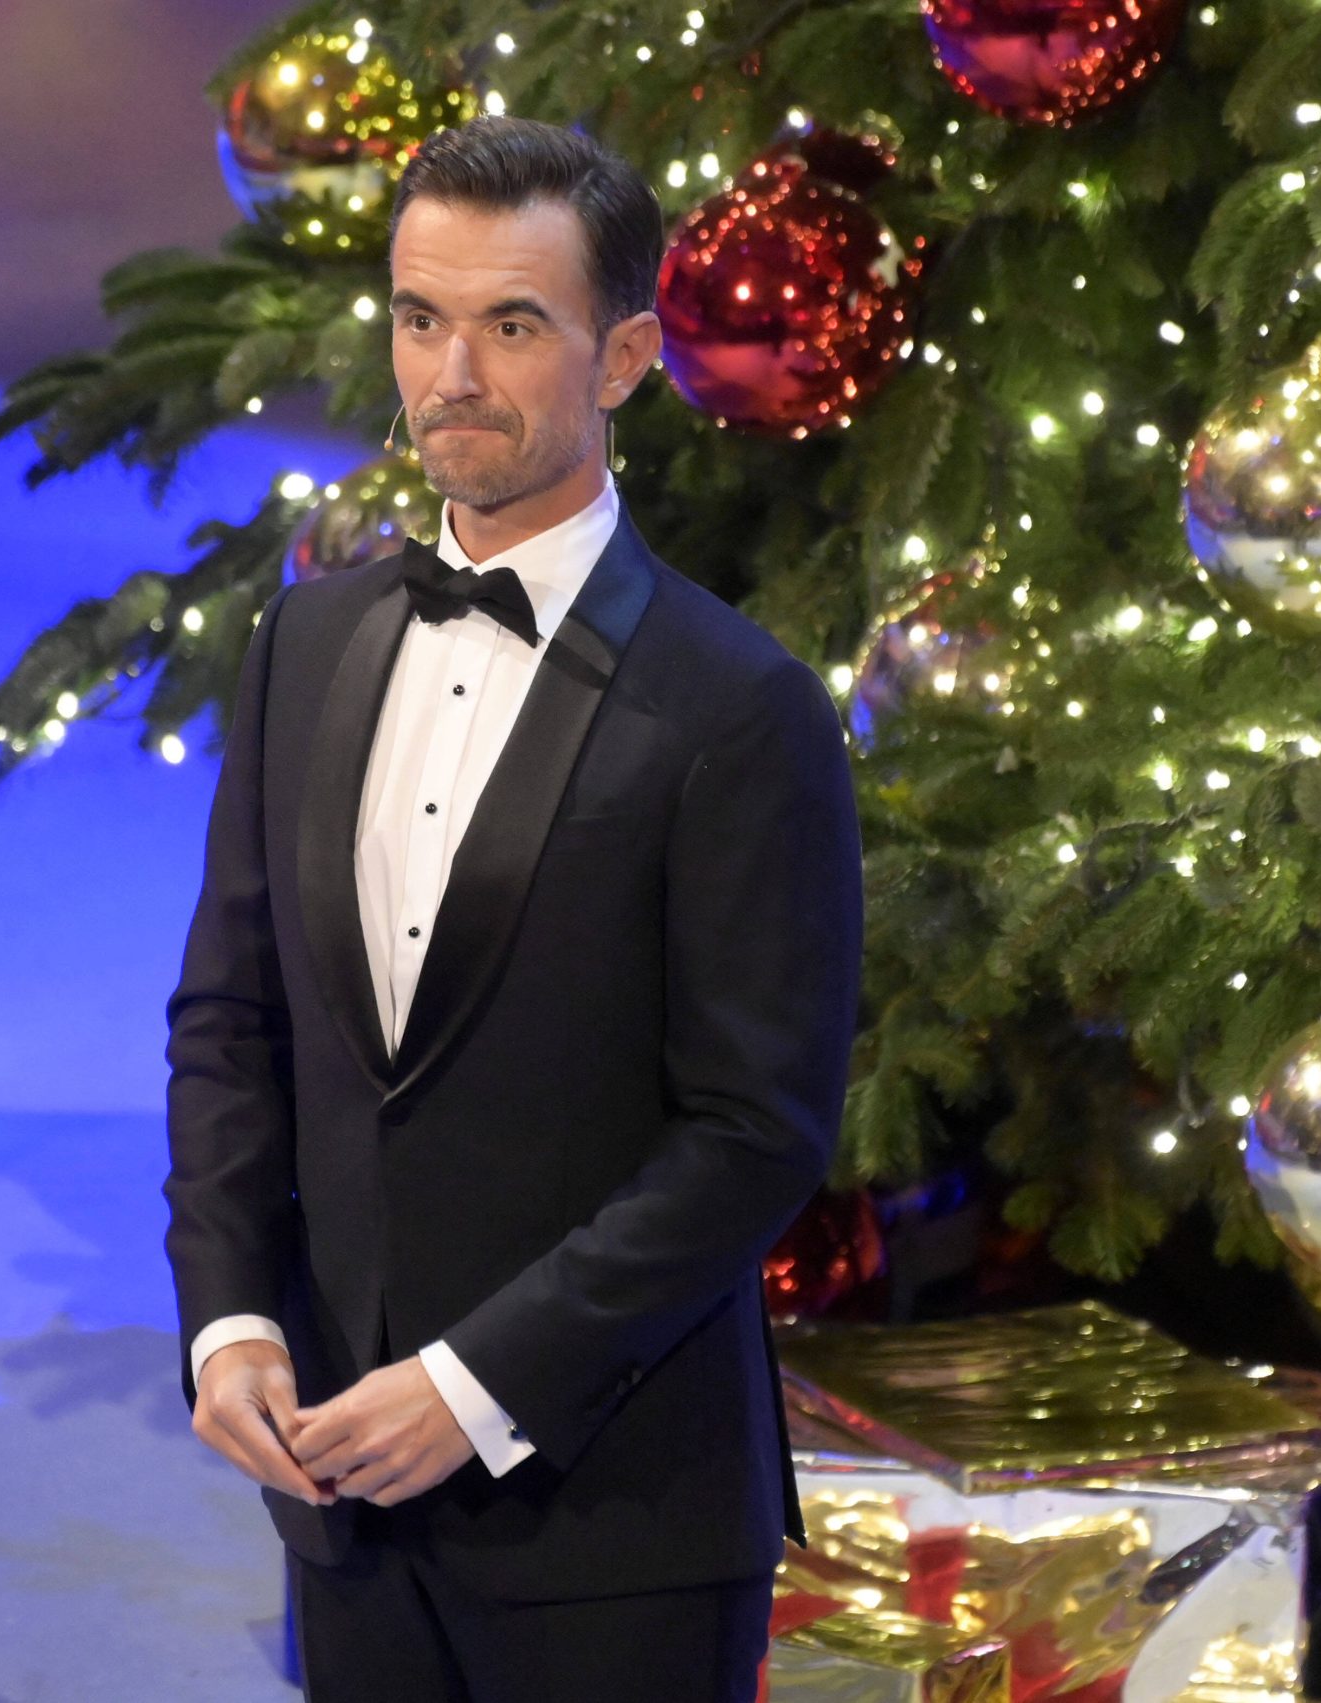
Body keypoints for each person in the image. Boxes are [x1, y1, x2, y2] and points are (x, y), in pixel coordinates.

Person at [161, 113, 863, 1703]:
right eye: (421, 319)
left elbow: (754, 1135)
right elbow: (231, 1020)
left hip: (618, 1526)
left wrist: (474, 1389)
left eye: (513, 325)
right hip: (340, 1495)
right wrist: (230, 1319)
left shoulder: (741, 708)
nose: (453, 375)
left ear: (624, 359)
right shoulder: (304, 647)